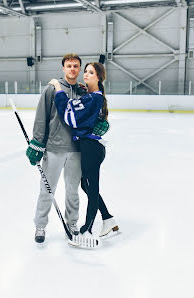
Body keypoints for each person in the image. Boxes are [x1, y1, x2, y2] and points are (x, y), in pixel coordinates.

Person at [49, 62, 119, 247]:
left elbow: (69, 114)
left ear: (98, 77)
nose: (85, 75)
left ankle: (87, 228)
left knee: (91, 186)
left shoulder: (93, 98)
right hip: (88, 146)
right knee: (86, 186)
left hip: (91, 147)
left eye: (90, 72)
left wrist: (58, 88)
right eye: (85, 71)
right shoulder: (91, 96)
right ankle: (108, 219)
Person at [26, 53, 87, 243]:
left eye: (76, 66)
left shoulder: (83, 92)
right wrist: (37, 143)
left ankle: (72, 223)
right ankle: (40, 226)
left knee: (72, 191)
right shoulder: (51, 89)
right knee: (47, 190)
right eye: (69, 66)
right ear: (63, 68)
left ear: (79, 69)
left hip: (76, 149)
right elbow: (41, 117)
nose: (72, 69)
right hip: (54, 148)